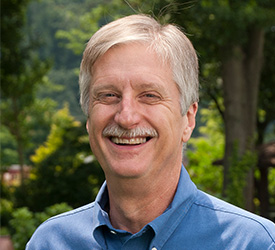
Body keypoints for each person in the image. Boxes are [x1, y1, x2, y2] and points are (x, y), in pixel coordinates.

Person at [26, 14, 275, 250]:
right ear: (89, 119)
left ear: (188, 119)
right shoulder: (50, 242)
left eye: (149, 95)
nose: (126, 116)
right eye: (109, 95)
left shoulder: (254, 243)